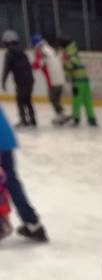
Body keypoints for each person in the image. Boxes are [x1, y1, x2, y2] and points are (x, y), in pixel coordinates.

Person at [0, 103, 47, 240]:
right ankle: (33, 223)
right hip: (5, 141)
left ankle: (9, 224)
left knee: (8, 181)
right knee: (10, 181)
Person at [58, 35, 97, 127]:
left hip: (77, 81)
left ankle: (76, 118)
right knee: (87, 100)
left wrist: (65, 66)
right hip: (84, 80)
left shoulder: (69, 53)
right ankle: (92, 119)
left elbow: (72, 65)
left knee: (77, 100)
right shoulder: (74, 50)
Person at [31, 34, 68, 125]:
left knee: (52, 98)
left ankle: (61, 115)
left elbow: (38, 64)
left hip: (52, 80)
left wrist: (30, 66)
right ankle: (61, 114)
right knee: (56, 99)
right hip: (60, 78)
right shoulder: (49, 48)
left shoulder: (40, 51)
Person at [1, 29, 36, 128]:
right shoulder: (22, 52)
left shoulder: (9, 54)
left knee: (20, 101)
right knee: (28, 100)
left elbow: (6, 70)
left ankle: (23, 120)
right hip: (29, 80)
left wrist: (3, 82)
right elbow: (28, 66)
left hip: (20, 82)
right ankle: (33, 119)